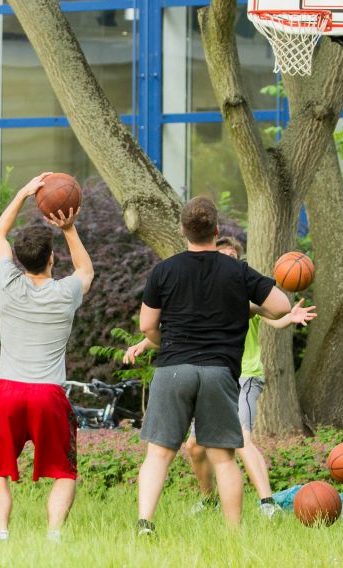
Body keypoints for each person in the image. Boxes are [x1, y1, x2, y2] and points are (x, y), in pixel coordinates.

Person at [132, 197, 291, 534]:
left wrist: (163, 341)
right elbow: (281, 307)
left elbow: (147, 326)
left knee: (158, 454)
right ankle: (233, 534)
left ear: (182, 230)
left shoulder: (164, 270)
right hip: (219, 372)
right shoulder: (238, 270)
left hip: (173, 368)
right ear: (216, 231)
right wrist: (248, 306)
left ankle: (145, 523)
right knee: (223, 457)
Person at [0, 174, 94, 544]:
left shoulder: (7, 282)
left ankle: (1, 533)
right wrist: (68, 227)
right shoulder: (66, 292)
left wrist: (22, 194)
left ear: (18, 260)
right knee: (64, 472)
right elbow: (86, 271)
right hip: (48, 394)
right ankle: (53, 534)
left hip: (8, 392)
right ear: (51, 259)